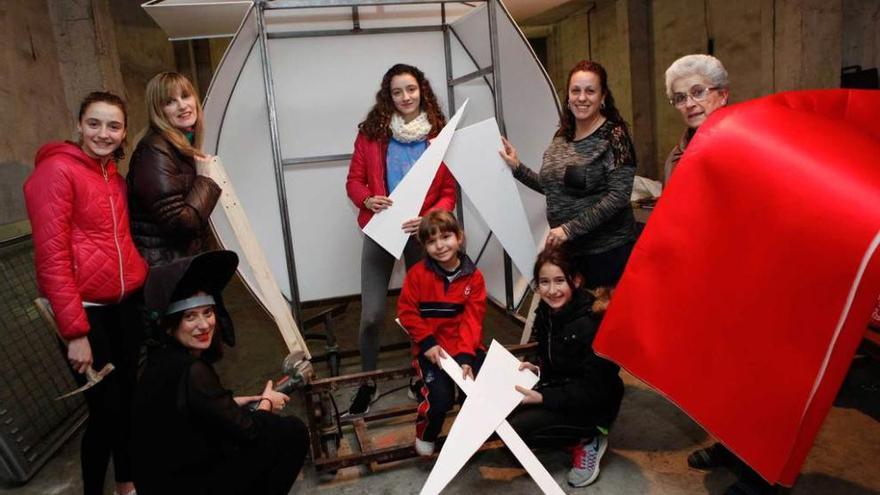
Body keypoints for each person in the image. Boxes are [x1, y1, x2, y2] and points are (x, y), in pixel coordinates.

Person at [23, 91, 148, 495]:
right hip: (87, 312)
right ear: (79, 124)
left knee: (127, 404)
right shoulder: (57, 171)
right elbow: (52, 257)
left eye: (113, 125)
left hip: (124, 306)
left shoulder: (112, 174)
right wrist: (74, 331)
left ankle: (126, 484)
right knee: (104, 412)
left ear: (124, 131)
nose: (103, 133)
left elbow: (116, 238)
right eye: (94, 123)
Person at [131, 250, 308, 495]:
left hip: (164, 479)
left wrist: (230, 404)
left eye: (208, 312)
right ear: (169, 325)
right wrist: (267, 401)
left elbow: (182, 414)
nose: (204, 325)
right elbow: (249, 431)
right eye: (190, 316)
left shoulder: (161, 360)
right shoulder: (192, 370)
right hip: (183, 484)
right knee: (289, 432)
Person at [345, 63, 457, 415]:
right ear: (388, 96)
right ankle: (367, 381)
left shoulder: (439, 135)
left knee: (422, 310)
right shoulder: (372, 133)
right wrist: (366, 199)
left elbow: (449, 191)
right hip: (381, 230)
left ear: (421, 89)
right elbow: (353, 180)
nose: (405, 97)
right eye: (397, 91)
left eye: (411, 89)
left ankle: (420, 373)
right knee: (373, 314)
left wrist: (430, 219)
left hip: (421, 233)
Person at [499, 60, 637, 289]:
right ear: (568, 96)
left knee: (602, 321)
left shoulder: (614, 135)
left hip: (607, 253)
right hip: (569, 254)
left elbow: (619, 196)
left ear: (603, 96)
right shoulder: (562, 137)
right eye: (576, 90)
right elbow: (551, 187)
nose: (582, 97)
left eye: (590, 91)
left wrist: (568, 229)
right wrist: (517, 168)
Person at [509, 246, 623, 488]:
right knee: (507, 416)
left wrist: (543, 397)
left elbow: (594, 390)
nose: (551, 290)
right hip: (563, 386)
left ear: (576, 280)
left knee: (518, 429)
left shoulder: (593, 322)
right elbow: (547, 349)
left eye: (560, 280)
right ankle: (567, 431)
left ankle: (588, 438)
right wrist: (537, 364)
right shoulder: (547, 311)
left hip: (595, 404)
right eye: (544, 282)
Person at [397, 211, 486, 456]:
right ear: (424, 246)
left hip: (464, 346)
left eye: (446, 237)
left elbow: (472, 320)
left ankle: (469, 435)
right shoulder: (417, 275)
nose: (440, 245)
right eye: (432, 241)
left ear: (459, 237)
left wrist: (467, 356)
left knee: (477, 391)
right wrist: (427, 342)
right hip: (432, 350)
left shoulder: (474, 277)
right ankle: (426, 435)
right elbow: (407, 312)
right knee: (440, 400)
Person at [127, 71, 222, 267]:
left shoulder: (181, 147)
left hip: (181, 264)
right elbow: (180, 225)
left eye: (185, 96)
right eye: (170, 101)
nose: (182, 105)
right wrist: (205, 181)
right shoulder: (154, 149)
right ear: (158, 111)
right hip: (166, 268)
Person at [663, 54, 729, 184]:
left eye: (698, 92)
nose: (689, 104)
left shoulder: (747, 143)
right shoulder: (675, 158)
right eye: (680, 98)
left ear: (722, 95)